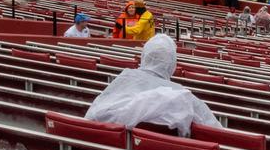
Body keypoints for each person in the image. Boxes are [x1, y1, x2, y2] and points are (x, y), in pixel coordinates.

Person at [84, 34, 221, 136]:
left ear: (144, 56)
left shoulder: (123, 79)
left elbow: (91, 118)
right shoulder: (183, 96)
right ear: (172, 63)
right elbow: (215, 131)